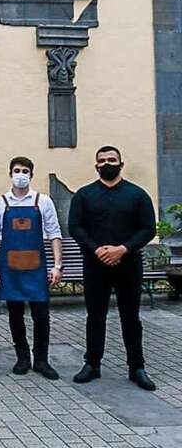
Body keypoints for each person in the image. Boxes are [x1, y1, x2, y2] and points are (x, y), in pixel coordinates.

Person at [69, 146, 157, 391]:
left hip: (128, 264)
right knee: (95, 316)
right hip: (95, 264)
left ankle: (136, 367)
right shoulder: (84, 195)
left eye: (112, 160)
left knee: (131, 317)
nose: (107, 163)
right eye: (102, 160)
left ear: (121, 163)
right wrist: (97, 249)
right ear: (96, 165)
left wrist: (123, 249)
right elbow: (75, 227)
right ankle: (92, 364)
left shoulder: (137, 195)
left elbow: (149, 228)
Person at [0, 156, 63, 380]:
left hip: (36, 269)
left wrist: (57, 266)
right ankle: (22, 357)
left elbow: (54, 234)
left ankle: (41, 359)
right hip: (10, 269)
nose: (21, 174)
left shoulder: (43, 201)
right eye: (17, 170)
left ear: (31, 174)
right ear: (10, 173)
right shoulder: (0, 203)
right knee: (15, 314)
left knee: (41, 315)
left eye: (25, 171)